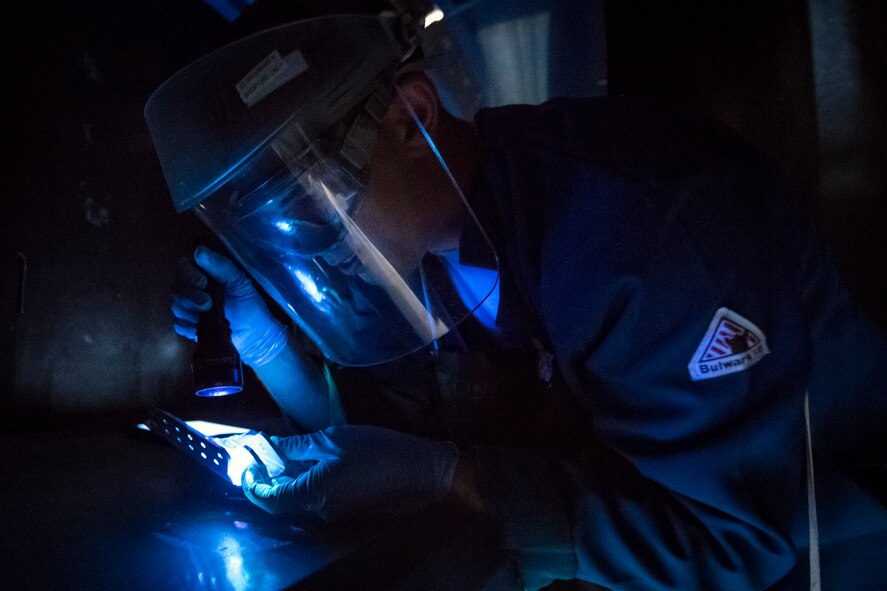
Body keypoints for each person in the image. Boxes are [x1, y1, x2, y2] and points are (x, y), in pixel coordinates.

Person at [149, 12, 887, 591]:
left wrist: (445, 478)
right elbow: (374, 450)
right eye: (272, 230)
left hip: (822, 555)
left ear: (412, 118)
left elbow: (733, 542)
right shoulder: (420, 257)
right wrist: (269, 349)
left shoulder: (642, 224)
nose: (307, 248)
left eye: (312, 204)